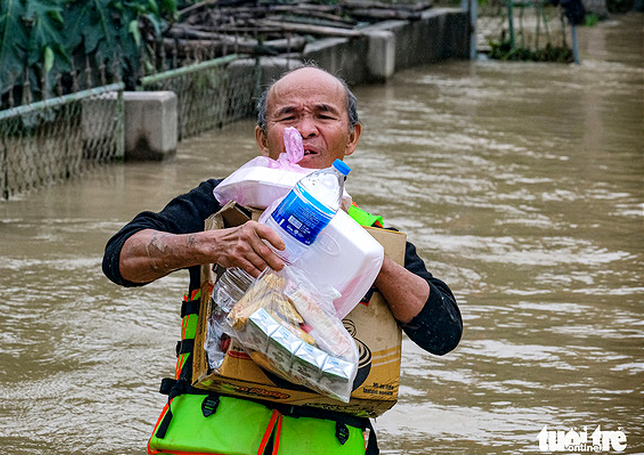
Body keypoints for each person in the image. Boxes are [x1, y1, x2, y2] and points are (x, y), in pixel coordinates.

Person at [102, 65, 463, 455]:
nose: (306, 129)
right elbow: (120, 258)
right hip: (214, 435)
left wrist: (372, 263)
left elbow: (444, 333)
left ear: (352, 137)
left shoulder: (373, 236)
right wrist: (209, 245)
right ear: (263, 138)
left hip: (326, 441)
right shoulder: (224, 204)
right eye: (287, 116)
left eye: (324, 115)